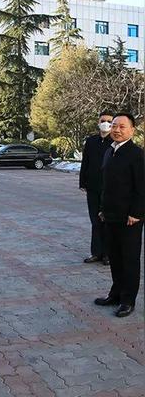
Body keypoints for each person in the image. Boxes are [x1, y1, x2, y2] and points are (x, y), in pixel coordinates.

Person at [95, 113, 145, 318]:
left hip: (129, 218)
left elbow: (142, 187)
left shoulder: (136, 154)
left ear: (132, 130)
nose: (116, 129)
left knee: (129, 259)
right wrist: (102, 208)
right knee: (115, 257)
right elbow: (105, 185)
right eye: (114, 125)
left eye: (122, 127)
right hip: (110, 215)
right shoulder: (109, 151)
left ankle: (127, 300)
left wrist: (137, 212)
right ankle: (115, 294)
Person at [79, 112, 113, 265]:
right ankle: (96, 253)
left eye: (109, 121)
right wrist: (83, 182)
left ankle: (107, 254)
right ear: (98, 122)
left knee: (106, 220)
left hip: (109, 188)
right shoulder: (91, 141)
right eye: (103, 121)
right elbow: (85, 162)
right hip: (92, 187)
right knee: (95, 220)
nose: (105, 123)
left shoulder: (115, 142)